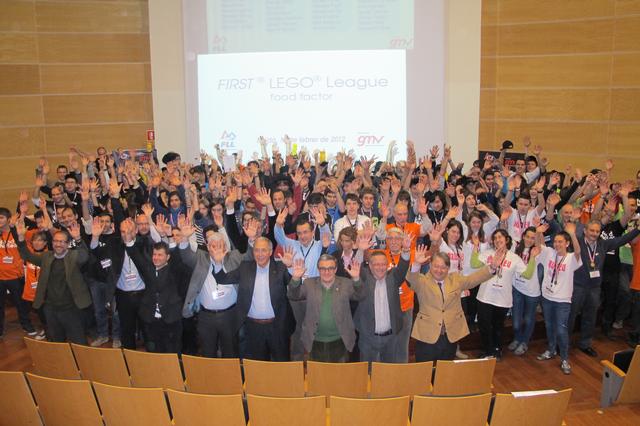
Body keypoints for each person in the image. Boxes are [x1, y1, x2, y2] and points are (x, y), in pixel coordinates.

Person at [406, 249, 502, 362]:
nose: (439, 270)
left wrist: (492, 267)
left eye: (443, 267)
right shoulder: (422, 281)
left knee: (445, 370)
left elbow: (473, 279)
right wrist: (416, 264)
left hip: (449, 336)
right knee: (424, 370)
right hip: (427, 336)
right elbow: (411, 280)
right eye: (436, 266)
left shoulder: (455, 279)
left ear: (448, 268)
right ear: (430, 265)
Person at [213, 237, 293, 361]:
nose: (260, 254)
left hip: (277, 326)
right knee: (258, 364)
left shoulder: (280, 267)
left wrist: (290, 267)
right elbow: (223, 279)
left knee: (281, 363)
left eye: (263, 250)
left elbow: (291, 282)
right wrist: (218, 263)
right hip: (253, 327)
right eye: (256, 250)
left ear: (270, 252)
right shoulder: (245, 268)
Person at [568, 219, 640, 357]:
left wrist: (638, 229)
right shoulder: (577, 242)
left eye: (597, 231)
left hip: (594, 288)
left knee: (590, 316)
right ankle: (564, 343)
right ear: (585, 231)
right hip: (577, 287)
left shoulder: (603, 244)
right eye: (592, 230)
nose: (594, 233)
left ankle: (585, 344)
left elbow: (622, 240)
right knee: (570, 316)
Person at [15, 220, 90, 344]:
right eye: (55, 241)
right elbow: (27, 256)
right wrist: (21, 237)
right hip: (51, 309)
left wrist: (78, 239)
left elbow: (84, 257)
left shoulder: (73, 256)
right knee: (56, 341)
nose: (58, 244)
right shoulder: (46, 257)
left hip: (71, 309)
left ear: (67, 244)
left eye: (62, 242)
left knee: (79, 341)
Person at [471, 229, 537, 360]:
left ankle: (497, 350)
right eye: (495, 238)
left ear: (506, 240)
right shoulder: (487, 254)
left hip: (502, 299)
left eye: (500, 237)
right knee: (484, 326)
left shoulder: (514, 258)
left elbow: (527, 274)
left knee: (498, 326)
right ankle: (488, 351)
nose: (497, 240)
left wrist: (533, 257)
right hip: (485, 297)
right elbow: (474, 264)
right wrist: (476, 246)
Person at [121, 218, 184, 353]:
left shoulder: (174, 270)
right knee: (153, 351)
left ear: (167, 257)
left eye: (160, 255)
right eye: (154, 254)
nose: (156, 257)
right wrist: (128, 238)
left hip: (171, 318)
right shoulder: (148, 268)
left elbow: (177, 258)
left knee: (172, 352)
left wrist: (170, 236)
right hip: (151, 319)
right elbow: (135, 255)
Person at [286, 254, 362, 362]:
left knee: (339, 372)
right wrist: (295, 278)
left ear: (335, 269)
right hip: (315, 340)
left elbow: (360, 295)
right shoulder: (309, 284)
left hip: (340, 340)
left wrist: (356, 279)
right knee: (317, 372)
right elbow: (293, 295)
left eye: (330, 268)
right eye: (323, 268)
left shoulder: (346, 283)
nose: (327, 272)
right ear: (318, 270)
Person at [353, 235, 411, 363]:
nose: (380, 267)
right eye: (376, 264)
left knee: (388, 371)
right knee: (367, 370)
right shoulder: (364, 277)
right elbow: (356, 267)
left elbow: (403, 267)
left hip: (391, 337)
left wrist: (406, 250)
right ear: (370, 266)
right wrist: (360, 250)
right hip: (368, 337)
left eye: (383, 264)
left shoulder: (393, 277)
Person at [536, 224, 582, 374]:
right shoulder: (549, 253)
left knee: (561, 330)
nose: (557, 244)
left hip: (562, 301)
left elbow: (578, 252)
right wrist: (538, 233)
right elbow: (539, 246)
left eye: (560, 241)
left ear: (567, 243)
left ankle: (564, 358)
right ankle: (551, 350)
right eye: (555, 241)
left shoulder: (571, 258)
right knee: (549, 326)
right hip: (547, 297)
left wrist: (573, 234)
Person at [0, 208, 36, 338]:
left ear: (9, 219)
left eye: (1, 218)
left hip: (16, 276)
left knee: (21, 305)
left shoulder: (17, 234)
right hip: (0, 277)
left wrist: (23, 214)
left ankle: (26, 325)